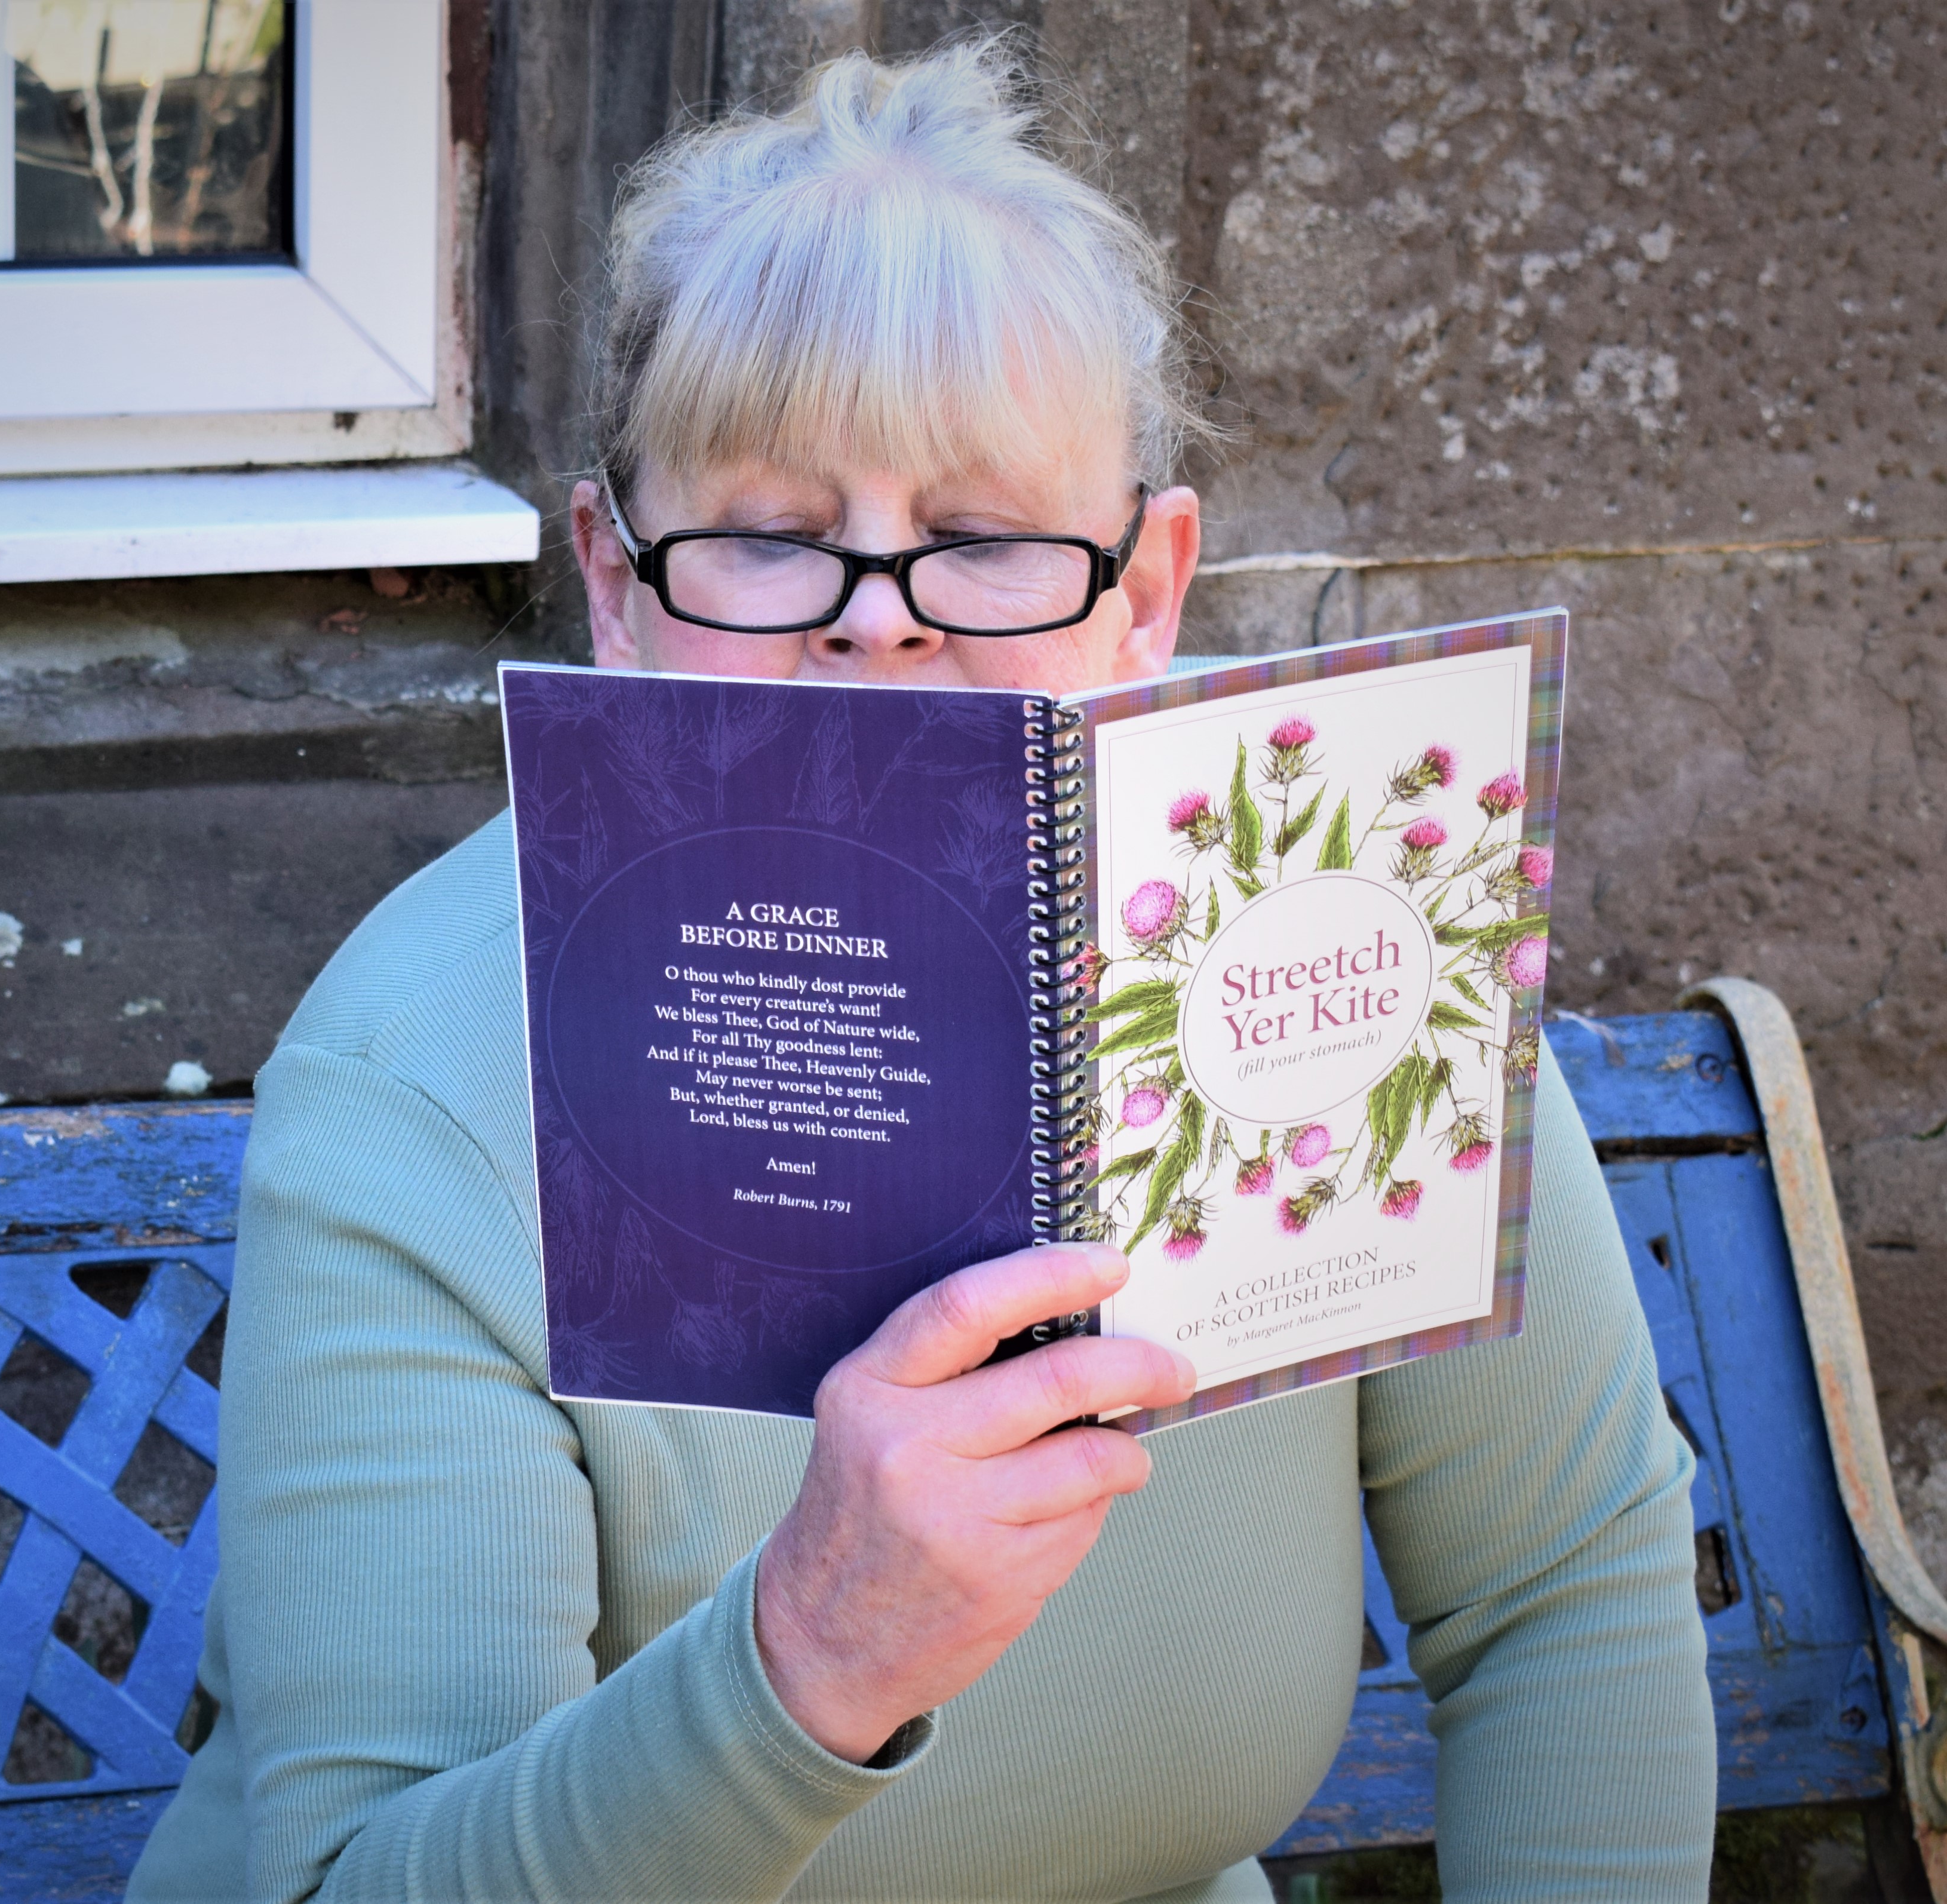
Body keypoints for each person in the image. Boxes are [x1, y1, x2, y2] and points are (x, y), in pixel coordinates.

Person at [130, 39, 1714, 1903]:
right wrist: (806, 1656)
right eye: (770, 540)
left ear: (1146, 585)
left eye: (980, 541)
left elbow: (1563, 1590)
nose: (873, 628)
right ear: (613, 580)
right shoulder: (424, 1077)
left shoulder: (1330, 885)